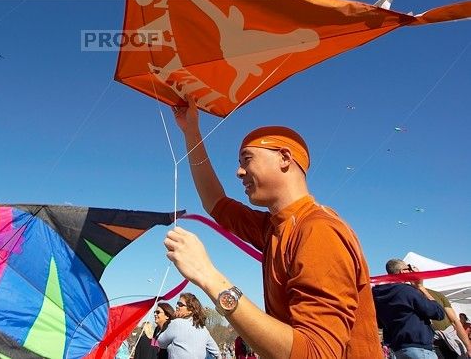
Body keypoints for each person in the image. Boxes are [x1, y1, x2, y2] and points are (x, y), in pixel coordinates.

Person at [165, 97, 382, 359]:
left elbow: (316, 353)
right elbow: (215, 203)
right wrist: (191, 131)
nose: (239, 172)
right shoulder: (273, 228)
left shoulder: (318, 231)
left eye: (247, 159)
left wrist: (208, 276)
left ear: (285, 158)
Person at [372, 258, 446, 358]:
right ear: (403, 271)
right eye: (409, 268)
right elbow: (438, 313)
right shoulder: (407, 291)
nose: (411, 270)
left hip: (397, 350)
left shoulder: (377, 294)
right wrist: (421, 287)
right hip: (419, 349)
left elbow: (380, 323)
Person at [156, 292, 219, 358]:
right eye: (177, 303)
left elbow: (161, 342)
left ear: (190, 310)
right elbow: (216, 352)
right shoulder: (203, 328)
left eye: (180, 304)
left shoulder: (176, 323)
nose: (177, 306)